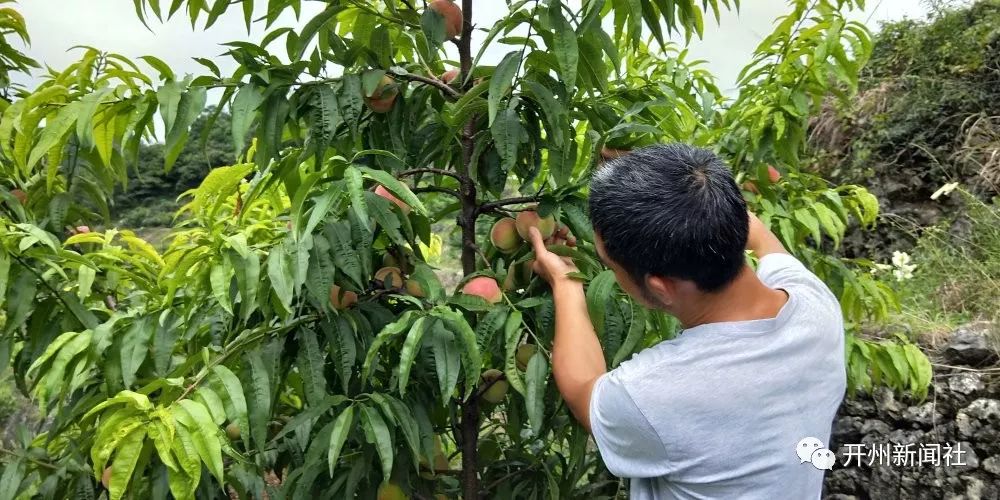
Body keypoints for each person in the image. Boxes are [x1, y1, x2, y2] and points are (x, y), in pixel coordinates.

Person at [527, 144, 846, 499]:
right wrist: (673, 180)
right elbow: (758, 233)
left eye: (609, 265)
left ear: (660, 288)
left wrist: (565, 284)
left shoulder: (654, 393)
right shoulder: (816, 308)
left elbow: (581, 387)